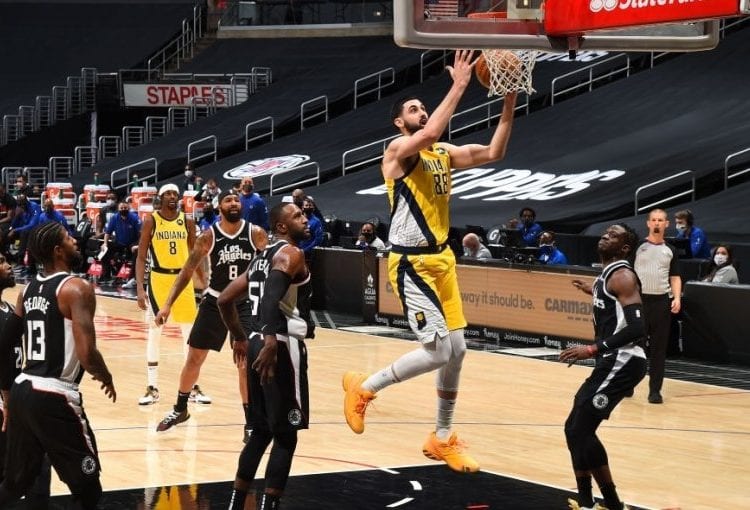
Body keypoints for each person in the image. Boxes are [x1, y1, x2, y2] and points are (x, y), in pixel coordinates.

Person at [342, 50, 518, 472]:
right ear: (399, 123)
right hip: (411, 264)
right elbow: (433, 129)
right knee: (438, 351)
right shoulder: (397, 151)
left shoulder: (443, 153)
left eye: (423, 107)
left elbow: (494, 151)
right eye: (413, 109)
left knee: (457, 351)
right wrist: (460, 84)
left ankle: (441, 437)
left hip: (442, 260)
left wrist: (509, 99)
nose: (421, 112)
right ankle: (365, 388)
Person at [0, 222, 116, 509]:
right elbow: (87, 354)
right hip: (55, 393)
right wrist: (106, 375)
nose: (74, 240)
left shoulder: (27, 291)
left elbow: (3, 343)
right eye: (67, 238)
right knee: (88, 488)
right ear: (57, 251)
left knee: (14, 485)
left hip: (23, 389)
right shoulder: (76, 288)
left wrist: (6, 393)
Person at [217, 202, 311, 510]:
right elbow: (271, 297)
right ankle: (269, 506)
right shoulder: (291, 254)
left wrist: (239, 337)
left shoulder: (260, 257)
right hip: (279, 345)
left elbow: (225, 299)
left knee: (260, 431)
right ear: (281, 227)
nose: (305, 219)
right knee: (286, 434)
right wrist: (271, 339)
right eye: (298, 216)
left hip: (257, 340)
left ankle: (236, 504)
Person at [155, 190, 267, 435]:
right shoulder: (208, 236)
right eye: (228, 200)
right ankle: (180, 409)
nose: (234, 203)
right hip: (215, 301)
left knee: (244, 364)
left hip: (244, 304)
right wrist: (167, 304)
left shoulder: (256, 233)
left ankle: (251, 422)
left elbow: (270, 266)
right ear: (219, 207)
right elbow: (187, 271)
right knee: (194, 358)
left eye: (236, 199)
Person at [561, 223, 646, 510]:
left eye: (613, 235)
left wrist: (592, 349)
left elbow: (637, 328)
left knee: (580, 429)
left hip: (625, 360)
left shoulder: (623, 276)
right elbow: (610, 300)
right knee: (573, 428)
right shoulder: (605, 275)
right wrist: (593, 289)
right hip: (612, 361)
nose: (605, 236)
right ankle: (588, 500)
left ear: (624, 248)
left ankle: (610, 504)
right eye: (606, 232)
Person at [135, 184, 207, 406]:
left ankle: (192, 387)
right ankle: (152, 387)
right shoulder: (152, 220)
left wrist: (204, 281)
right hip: (158, 280)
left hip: (183, 280)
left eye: (175, 194)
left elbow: (195, 253)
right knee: (155, 332)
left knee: (189, 334)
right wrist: (140, 287)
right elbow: (141, 256)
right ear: (160, 198)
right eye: (168, 194)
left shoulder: (187, 221)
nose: (173, 197)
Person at [0, 253, 51, 505]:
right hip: (5, 403)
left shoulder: (10, 309)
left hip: (18, 399)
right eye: (1, 262)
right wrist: (7, 401)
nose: (8, 266)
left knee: (37, 469)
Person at [634, 208, 681, 404]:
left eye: (660, 220)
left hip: (661, 302)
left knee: (658, 349)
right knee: (635, 346)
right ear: (648, 223)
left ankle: (655, 391)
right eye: (653, 220)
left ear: (666, 224)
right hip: (638, 301)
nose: (657, 223)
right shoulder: (637, 246)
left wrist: (677, 298)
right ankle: (628, 384)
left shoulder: (670, 250)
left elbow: (675, 277)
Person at [101, 201, 141, 284]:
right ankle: (106, 276)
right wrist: (105, 244)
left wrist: (138, 245)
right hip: (119, 242)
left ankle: (132, 278)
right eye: (121, 208)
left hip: (132, 243)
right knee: (104, 251)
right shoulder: (114, 218)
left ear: (128, 208)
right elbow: (107, 233)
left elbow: (142, 234)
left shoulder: (135, 218)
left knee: (137, 252)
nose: (123, 209)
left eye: (125, 208)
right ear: (118, 209)